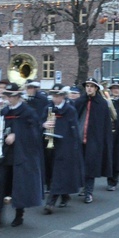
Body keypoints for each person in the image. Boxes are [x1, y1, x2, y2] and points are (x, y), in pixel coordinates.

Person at [0, 83, 44, 226]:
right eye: (6, 95)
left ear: (17, 96)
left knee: (19, 186)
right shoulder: (4, 112)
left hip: (21, 155)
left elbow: (35, 134)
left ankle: (19, 215)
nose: (7, 99)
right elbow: (3, 127)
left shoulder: (28, 112)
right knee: (0, 183)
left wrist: (17, 136)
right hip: (5, 153)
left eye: (10, 96)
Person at [42, 85, 83, 213]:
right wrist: (44, 124)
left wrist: (75, 145)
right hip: (50, 142)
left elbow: (74, 128)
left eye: (58, 96)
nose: (55, 98)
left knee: (59, 173)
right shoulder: (48, 108)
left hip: (64, 145)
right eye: (54, 96)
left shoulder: (70, 110)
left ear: (63, 96)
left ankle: (50, 202)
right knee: (53, 172)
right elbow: (40, 122)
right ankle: (65, 196)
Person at [74, 78, 113, 204]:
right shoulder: (79, 102)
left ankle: (88, 192)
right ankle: (83, 186)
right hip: (79, 139)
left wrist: (104, 141)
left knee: (90, 166)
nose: (89, 88)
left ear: (96, 88)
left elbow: (105, 125)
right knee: (80, 165)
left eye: (92, 86)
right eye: (87, 86)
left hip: (94, 141)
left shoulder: (101, 104)